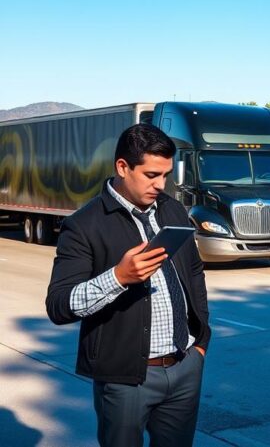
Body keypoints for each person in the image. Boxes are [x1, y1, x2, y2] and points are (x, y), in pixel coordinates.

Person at [46, 123, 211, 447]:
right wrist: (119, 277)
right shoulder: (83, 225)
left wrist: (201, 344)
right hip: (124, 379)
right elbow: (59, 305)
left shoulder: (172, 209)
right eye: (151, 175)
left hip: (185, 366)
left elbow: (194, 273)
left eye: (165, 175)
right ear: (122, 166)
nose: (160, 185)